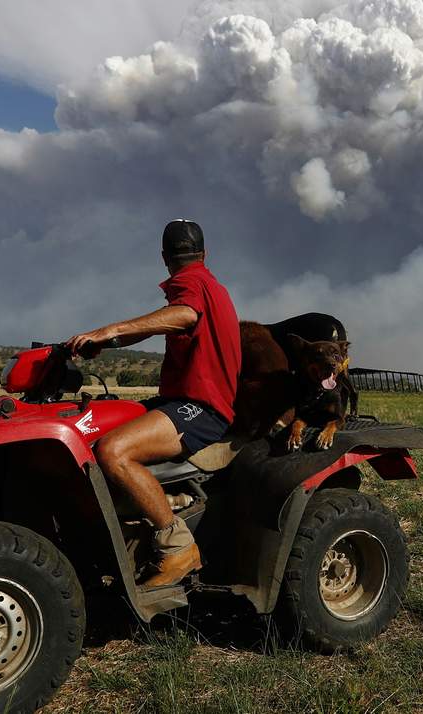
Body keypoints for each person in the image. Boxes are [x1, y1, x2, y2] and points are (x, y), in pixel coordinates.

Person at [67, 219, 241, 588]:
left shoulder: (192, 284)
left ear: (164, 258)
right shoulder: (207, 284)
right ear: (205, 253)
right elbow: (168, 323)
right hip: (180, 401)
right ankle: (150, 510)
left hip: (201, 408)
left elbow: (184, 315)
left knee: (114, 451)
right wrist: (110, 342)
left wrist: (110, 329)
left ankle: (176, 545)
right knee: (100, 425)